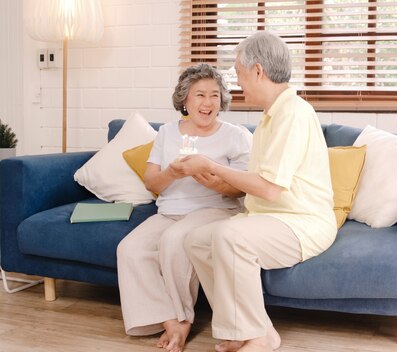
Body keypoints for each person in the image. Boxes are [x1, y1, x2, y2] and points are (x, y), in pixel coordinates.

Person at [180, 31, 337, 352]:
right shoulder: (271, 116)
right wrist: (218, 178)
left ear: (258, 71)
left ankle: (258, 339)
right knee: (196, 240)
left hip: (301, 223)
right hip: (271, 218)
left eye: (238, 72)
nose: (237, 82)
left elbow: (269, 188)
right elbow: (258, 181)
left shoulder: (292, 114)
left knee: (229, 235)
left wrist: (216, 166)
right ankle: (250, 329)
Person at [116, 63, 251, 352]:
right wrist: (173, 174)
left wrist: (213, 181)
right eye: (200, 94)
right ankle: (168, 320)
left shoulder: (235, 135)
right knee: (129, 250)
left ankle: (183, 320)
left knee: (174, 240)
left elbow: (242, 188)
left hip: (215, 211)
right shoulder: (166, 133)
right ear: (185, 100)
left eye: (214, 95)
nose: (208, 102)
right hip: (169, 212)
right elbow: (153, 182)